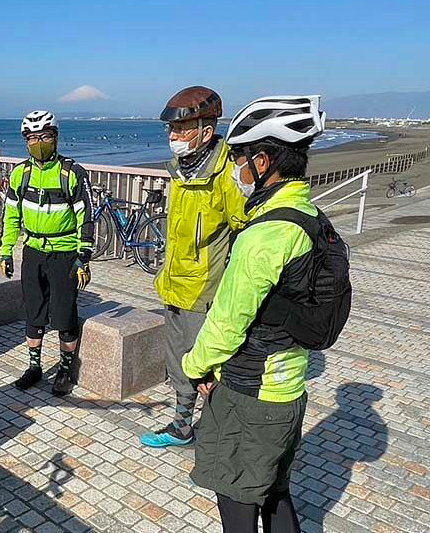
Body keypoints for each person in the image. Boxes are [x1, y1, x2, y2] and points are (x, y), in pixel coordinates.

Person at [181, 95, 329, 533]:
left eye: (239, 157)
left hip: (252, 395)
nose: (234, 168)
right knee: (276, 494)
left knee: (238, 504)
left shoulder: (265, 235)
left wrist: (194, 365)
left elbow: (228, 321)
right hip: (289, 389)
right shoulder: (310, 217)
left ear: (261, 161)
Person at [140, 86, 247, 449]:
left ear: (207, 128)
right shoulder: (181, 172)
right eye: (171, 130)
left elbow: (244, 232)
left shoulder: (226, 173)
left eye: (181, 129)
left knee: (209, 369)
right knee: (178, 365)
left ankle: (219, 439)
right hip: (173, 286)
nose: (173, 137)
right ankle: (182, 426)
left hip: (204, 293)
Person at [0, 110, 94, 396]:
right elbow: (11, 216)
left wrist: (84, 256)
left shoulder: (71, 173)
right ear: (25, 141)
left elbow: (85, 217)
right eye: (32, 138)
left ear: (56, 138)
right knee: (34, 313)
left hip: (65, 253)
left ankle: (64, 369)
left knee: (64, 316)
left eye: (45, 136)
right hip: (33, 252)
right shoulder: (20, 174)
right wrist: (6, 252)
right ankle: (34, 367)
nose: (38, 142)